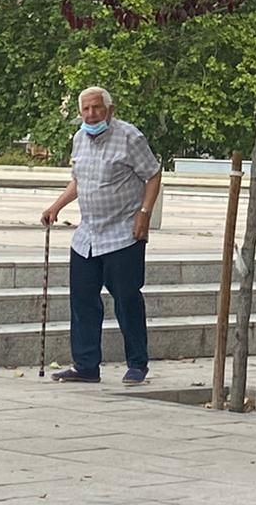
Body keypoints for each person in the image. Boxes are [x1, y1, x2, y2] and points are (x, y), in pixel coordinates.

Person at [41, 86, 162, 385]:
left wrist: (144, 214)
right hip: (88, 236)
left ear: (110, 109)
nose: (91, 114)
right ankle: (86, 365)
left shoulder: (130, 137)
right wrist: (56, 206)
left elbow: (153, 174)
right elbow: (78, 181)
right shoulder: (79, 139)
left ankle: (136, 363)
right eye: (86, 109)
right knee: (82, 300)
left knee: (126, 299)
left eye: (97, 108)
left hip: (123, 233)